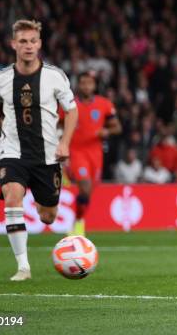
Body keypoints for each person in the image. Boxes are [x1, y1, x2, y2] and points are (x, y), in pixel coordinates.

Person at [0, 19, 78, 281]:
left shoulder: (54, 76)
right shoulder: (1, 79)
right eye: (23, 41)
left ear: (40, 44)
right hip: (12, 152)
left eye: (33, 41)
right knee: (12, 195)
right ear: (13, 44)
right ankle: (23, 267)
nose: (28, 46)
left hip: (47, 155)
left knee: (48, 216)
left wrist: (65, 141)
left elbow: (71, 111)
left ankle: (40, 200)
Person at [64, 71, 121, 236]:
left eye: (89, 83)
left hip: (95, 154)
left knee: (88, 193)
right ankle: (78, 223)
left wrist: (107, 132)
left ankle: (78, 220)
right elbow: (58, 123)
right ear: (78, 85)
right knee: (85, 186)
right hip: (76, 152)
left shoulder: (104, 104)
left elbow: (117, 127)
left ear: (94, 85)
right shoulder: (69, 105)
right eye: (83, 83)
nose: (86, 86)